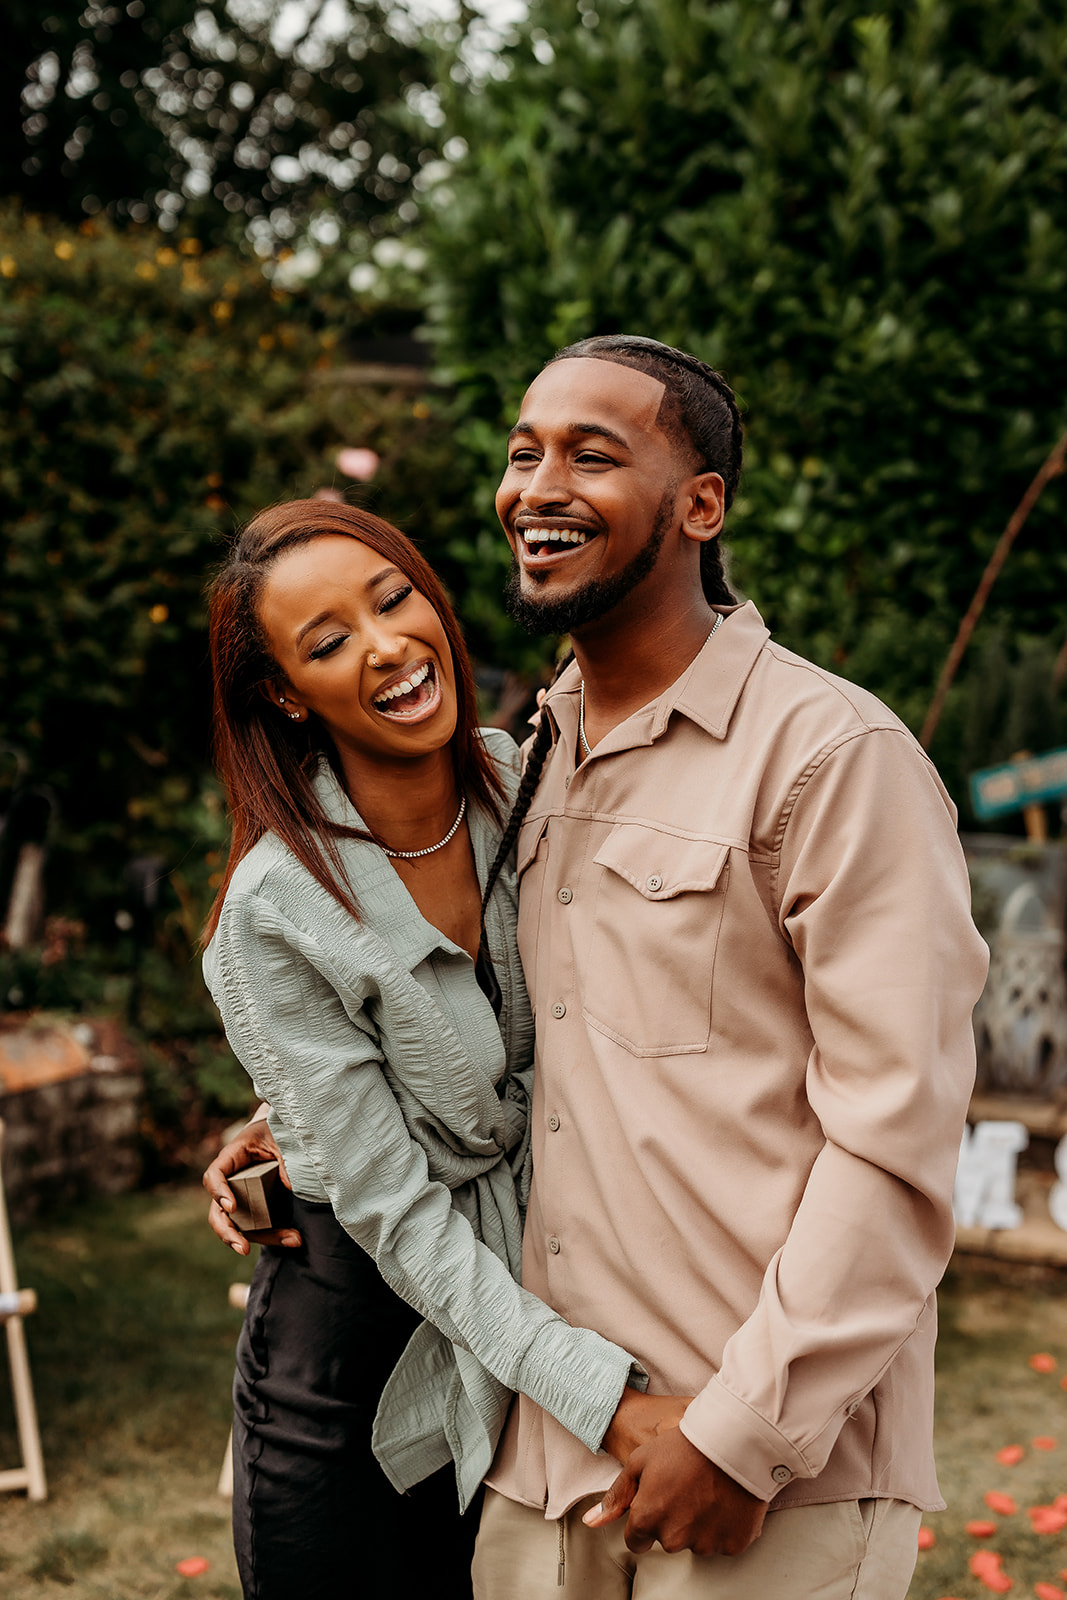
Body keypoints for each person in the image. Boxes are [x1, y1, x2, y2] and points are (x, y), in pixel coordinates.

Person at [208, 339, 988, 1600]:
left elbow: (898, 1146)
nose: (538, 481)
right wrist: (292, 1124)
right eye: (522, 452)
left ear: (701, 502)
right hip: (545, 1454)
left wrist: (742, 1432)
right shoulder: (536, 759)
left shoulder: (831, 756)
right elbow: (550, 1036)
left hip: (762, 1468)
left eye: (592, 451)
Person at [200, 498, 681, 1600]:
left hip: (548, 1300)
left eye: (392, 597)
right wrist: (601, 1395)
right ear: (284, 693)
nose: (385, 646)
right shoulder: (275, 913)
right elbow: (398, 1217)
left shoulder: (537, 783)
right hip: (356, 1369)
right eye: (326, 643)